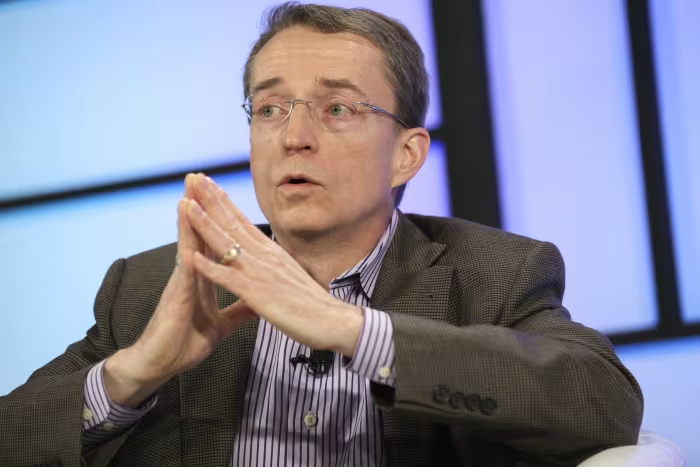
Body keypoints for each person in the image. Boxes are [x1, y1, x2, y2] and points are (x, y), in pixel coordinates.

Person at [0, 3, 643, 466]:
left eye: (337, 108)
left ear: (407, 155)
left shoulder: (493, 275)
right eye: (270, 109)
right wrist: (136, 372)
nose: (294, 136)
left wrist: (351, 330)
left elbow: (604, 404)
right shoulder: (153, 288)